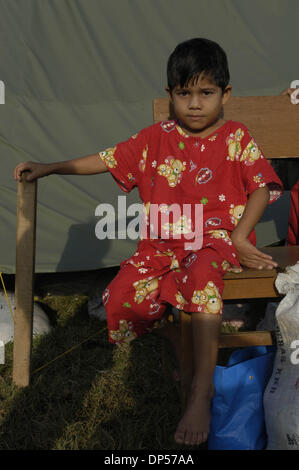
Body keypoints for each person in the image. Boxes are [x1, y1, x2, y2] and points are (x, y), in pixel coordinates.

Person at [14, 38, 283, 447]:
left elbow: (262, 188)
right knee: (120, 298)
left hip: (214, 242)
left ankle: (201, 390)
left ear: (225, 94)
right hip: (161, 247)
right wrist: (52, 168)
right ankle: (182, 346)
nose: (195, 104)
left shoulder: (235, 137)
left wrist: (241, 235)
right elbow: (106, 158)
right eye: (184, 94)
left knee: (204, 281)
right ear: (170, 94)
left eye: (206, 93)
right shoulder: (156, 137)